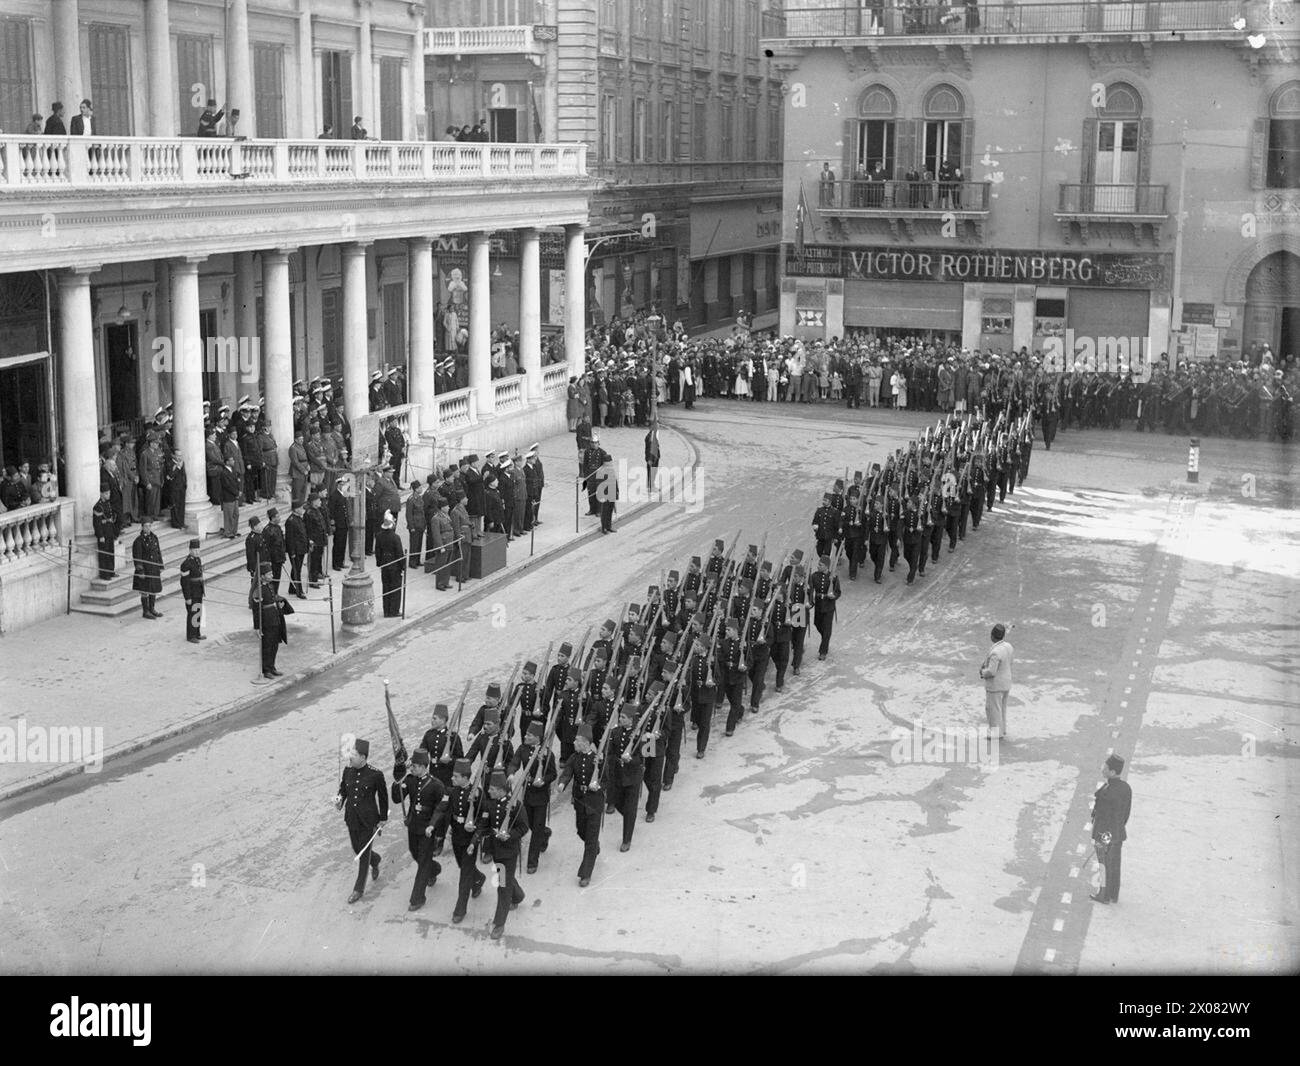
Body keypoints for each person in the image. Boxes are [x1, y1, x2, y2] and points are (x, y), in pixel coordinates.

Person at [335, 738, 388, 905]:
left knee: (363, 854)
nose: (350, 757)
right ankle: (376, 859)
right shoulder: (347, 771)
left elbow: (383, 797)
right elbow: (343, 790)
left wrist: (382, 819)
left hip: (368, 820)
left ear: (363, 757)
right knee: (356, 848)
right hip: (351, 818)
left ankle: (358, 889)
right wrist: (339, 800)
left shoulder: (375, 774)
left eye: (354, 755)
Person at [475, 769, 527, 940]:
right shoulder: (489, 804)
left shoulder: (515, 806)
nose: (488, 791)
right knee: (505, 876)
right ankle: (518, 895)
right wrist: (475, 838)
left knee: (503, 886)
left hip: (509, 852)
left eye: (491, 788)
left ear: (500, 790)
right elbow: (484, 825)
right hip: (495, 851)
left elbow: (523, 827)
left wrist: (509, 835)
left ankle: (499, 923)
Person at [390, 748, 444, 912]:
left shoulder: (436, 785)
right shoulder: (410, 780)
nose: (411, 768)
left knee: (423, 863)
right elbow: (397, 798)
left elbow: (441, 809)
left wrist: (434, 827)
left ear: (423, 766)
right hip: (413, 825)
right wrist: (397, 781)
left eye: (414, 766)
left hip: (428, 829)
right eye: (411, 765)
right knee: (415, 854)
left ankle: (417, 898)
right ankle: (434, 869)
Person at [557, 723, 604, 886]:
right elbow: (567, 772)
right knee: (581, 830)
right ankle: (594, 845)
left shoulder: (597, 760)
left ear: (585, 742)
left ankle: (585, 874)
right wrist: (562, 783)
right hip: (580, 801)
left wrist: (598, 785)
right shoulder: (574, 757)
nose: (574, 743)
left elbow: (607, 779)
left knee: (590, 839)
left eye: (577, 741)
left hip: (594, 803)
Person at [439, 758, 486, 922]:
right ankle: (479, 878)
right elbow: (447, 811)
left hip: (470, 840)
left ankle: (460, 909)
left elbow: (483, 819)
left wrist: (475, 837)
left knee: (464, 874)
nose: (452, 779)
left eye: (456, 777)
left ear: (466, 778)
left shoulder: (477, 794)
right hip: (457, 836)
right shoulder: (453, 791)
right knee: (463, 866)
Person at [511, 722, 557, 874]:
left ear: (537, 738)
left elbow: (553, 774)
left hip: (541, 795)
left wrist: (543, 780)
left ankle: (532, 861)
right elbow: (515, 762)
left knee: (536, 829)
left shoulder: (547, 753)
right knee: (530, 823)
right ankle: (545, 833)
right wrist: (511, 773)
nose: (525, 736)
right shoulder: (522, 749)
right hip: (528, 793)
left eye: (529, 735)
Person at [1090, 753, 1132, 904]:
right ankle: (1113, 894)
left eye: (1106, 768)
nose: (1103, 769)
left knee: (1104, 865)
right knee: (1115, 865)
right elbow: (1126, 814)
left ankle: (1104, 895)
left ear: (1113, 772)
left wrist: (1101, 839)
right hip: (1118, 833)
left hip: (1105, 835)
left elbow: (1102, 818)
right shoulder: (1126, 788)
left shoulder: (1108, 792)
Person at [979, 622, 1014, 739]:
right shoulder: (1009, 647)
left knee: (993, 710)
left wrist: (983, 672)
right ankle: (1002, 730)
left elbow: (991, 672)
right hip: (1006, 682)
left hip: (996, 686)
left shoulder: (995, 652)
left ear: (992, 636)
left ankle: (995, 734)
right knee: (1002, 708)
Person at [810, 553, 841, 660]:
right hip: (819, 605)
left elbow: (838, 592)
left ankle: (823, 651)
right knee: (817, 624)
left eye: (821, 565)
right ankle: (825, 639)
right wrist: (811, 602)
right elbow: (810, 590)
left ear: (826, 567)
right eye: (818, 564)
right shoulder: (814, 576)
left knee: (827, 629)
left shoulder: (833, 577)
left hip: (829, 606)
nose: (818, 566)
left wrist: (834, 596)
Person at [132, 518, 164, 619]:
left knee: (153, 588)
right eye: (146, 526)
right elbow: (137, 557)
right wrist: (140, 571)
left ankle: (152, 609)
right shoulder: (138, 541)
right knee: (145, 590)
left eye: (150, 526)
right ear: (142, 527)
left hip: (154, 567)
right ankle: (145, 611)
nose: (148, 528)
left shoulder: (154, 538)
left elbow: (158, 552)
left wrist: (160, 565)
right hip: (145, 569)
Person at [375, 510, 405, 618]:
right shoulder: (395, 537)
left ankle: (386, 610)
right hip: (395, 566)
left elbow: (377, 551)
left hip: (384, 565)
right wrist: (403, 566)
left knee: (386, 588)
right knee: (395, 589)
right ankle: (394, 610)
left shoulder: (379, 536)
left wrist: (379, 563)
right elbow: (399, 553)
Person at [179, 539, 205, 643]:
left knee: (198, 611)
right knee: (192, 613)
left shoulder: (198, 560)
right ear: (190, 550)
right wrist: (187, 597)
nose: (197, 552)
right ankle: (191, 635)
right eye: (194, 550)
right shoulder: (186, 563)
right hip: (192, 592)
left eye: (198, 550)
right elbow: (184, 582)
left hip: (199, 590)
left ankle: (197, 633)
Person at [284, 503, 309, 598]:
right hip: (296, 550)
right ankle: (299, 591)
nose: (302, 509)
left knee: (296, 569)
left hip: (301, 549)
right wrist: (292, 552)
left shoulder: (299, 518)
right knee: (297, 571)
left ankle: (292, 588)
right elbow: (289, 538)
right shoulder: (290, 521)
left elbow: (303, 533)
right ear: (295, 509)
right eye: (300, 507)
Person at [92, 489, 117, 579]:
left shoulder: (107, 504)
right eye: (106, 493)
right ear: (101, 494)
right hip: (103, 533)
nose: (108, 495)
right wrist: (100, 535)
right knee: (104, 554)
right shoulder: (98, 506)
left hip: (109, 531)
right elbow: (97, 523)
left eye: (109, 493)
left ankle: (111, 571)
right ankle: (105, 574)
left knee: (111, 552)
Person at [645, 419, 661, 492]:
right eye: (656, 426)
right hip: (652, 457)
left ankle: (650, 486)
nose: (658, 427)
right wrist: (650, 459)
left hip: (653, 456)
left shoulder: (653, 434)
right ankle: (651, 487)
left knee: (652, 471)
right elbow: (650, 449)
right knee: (652, 472)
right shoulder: (652, 436)